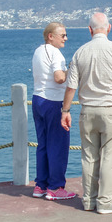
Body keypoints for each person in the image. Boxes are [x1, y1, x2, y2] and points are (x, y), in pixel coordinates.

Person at [61, 12, 112, 214]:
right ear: (109, 28)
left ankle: (89, 200)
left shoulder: (80, 52)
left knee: (89, 157)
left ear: (89, 29)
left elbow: (70, 87)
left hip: (87, 111)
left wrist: (65, 111)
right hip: (111, 111)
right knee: (110, 158)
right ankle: (106, 202)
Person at [31, 22, 76, 200]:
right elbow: (59, 78)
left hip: (38, 99)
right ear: (51, 36)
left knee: (43, 144)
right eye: (62, 35)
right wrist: (71, 68)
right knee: (58, 145)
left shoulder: (38, 51)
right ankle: (56, 187)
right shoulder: (55, 52)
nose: (66, 38)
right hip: (54, 102)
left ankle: (41, 185)